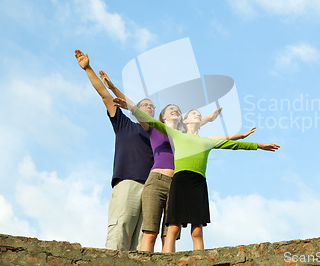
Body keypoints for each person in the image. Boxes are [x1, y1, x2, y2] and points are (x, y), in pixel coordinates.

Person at [99, 71, 253, 252]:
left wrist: (210, 119)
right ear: (162, 117)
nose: (175, 111)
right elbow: (133, 108)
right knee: (150, 232)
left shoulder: (183, 135)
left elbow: (196, 126)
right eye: (170, 109)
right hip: (156, 180)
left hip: (177, 185)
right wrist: (113, 88)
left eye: (178, 111)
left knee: (169, 233)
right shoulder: (155, 129)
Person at [113, 97, 280, 253]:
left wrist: (257, 144)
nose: (197, 116)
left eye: (199, 115)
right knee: (169, 228)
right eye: (194, 114)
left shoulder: (205, 141)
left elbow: (229, 143)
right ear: (184, 121)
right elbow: (151, 121)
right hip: (177, 182)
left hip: (198, 184)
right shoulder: (176, 134)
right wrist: (131, 107)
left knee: (194, 230)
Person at [74, 49, 154, 251]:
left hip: (152, 190)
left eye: (152, 107)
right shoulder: (124, 125)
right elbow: (104, 95)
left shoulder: (157, 134)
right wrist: (88, 69)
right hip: (127, 183)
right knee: (119, 237)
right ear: (134, 109)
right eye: (145, 106)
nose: (149, 108)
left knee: (141, 246)